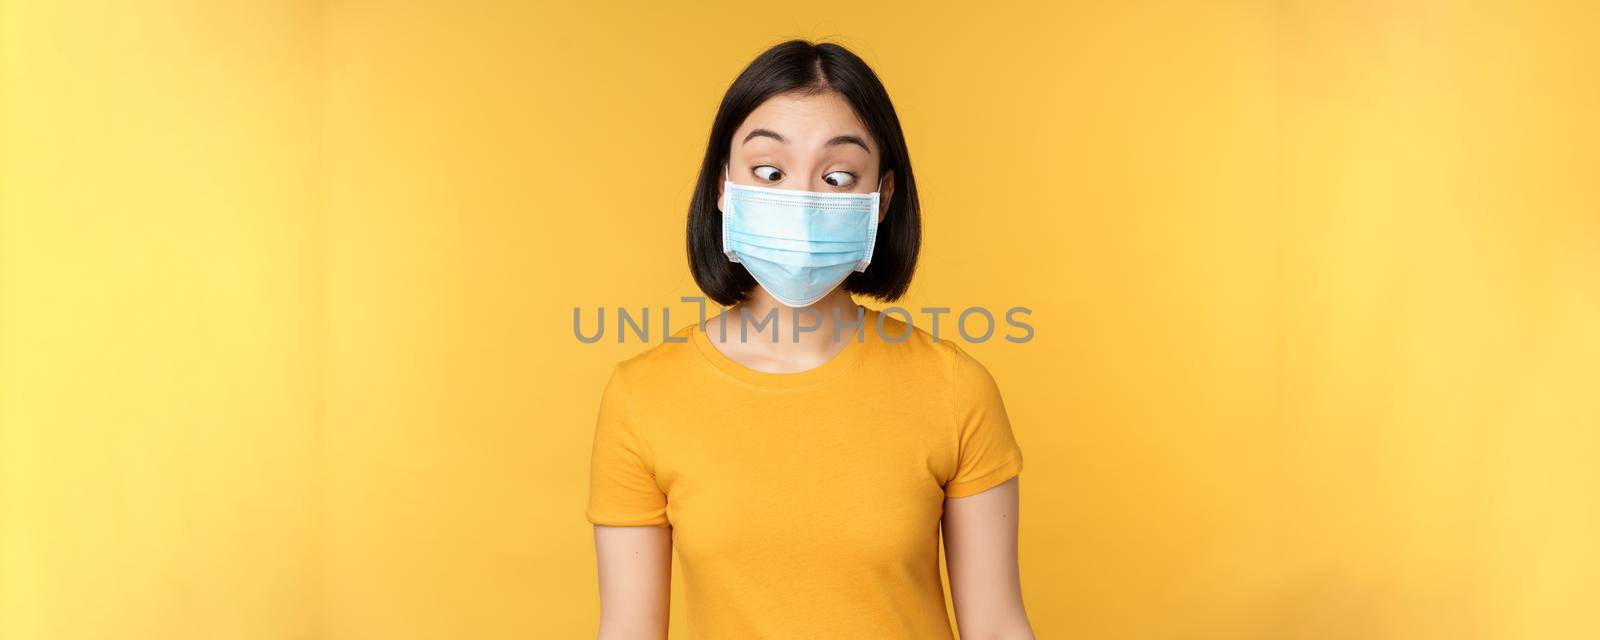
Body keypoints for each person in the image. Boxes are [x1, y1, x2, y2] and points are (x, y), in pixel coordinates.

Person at [586, 39, 1034, 639]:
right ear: (724, 187)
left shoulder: (955, 388)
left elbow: (998, 626)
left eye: (839, 176)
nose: (800, 200)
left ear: (882, 199)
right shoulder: (643, 396)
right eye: (768, 172)